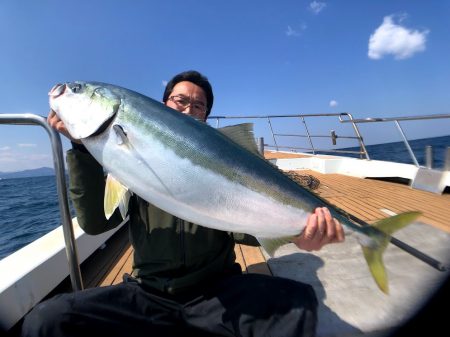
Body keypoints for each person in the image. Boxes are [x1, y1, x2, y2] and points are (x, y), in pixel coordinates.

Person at [21, 70, 345, 337]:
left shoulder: (221, 163)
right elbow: (96, 224)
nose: (189, 108)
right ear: (164, 104)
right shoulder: (125, 162)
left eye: (199, 105)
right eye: (180, 100)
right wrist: (80, 150)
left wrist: (297, 232)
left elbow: (247, 231)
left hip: (217, 293)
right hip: (147, 293)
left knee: (298, 302)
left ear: (206, 116)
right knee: (48, 319)